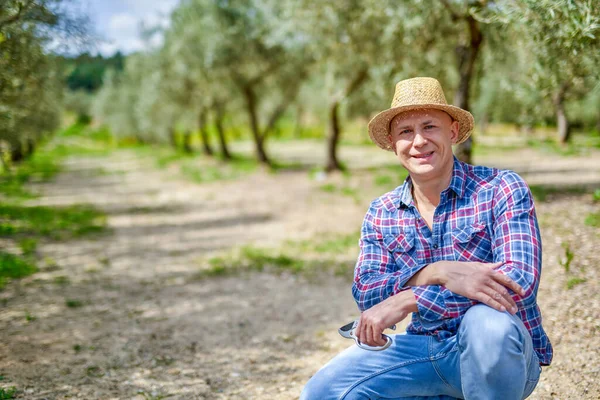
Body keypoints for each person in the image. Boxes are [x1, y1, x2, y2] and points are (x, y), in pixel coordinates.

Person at [300, 77, 552, 400]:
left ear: (453, 132)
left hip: (496, 357)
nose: (418, 141)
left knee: (489, 327)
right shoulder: (382, 212)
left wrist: (412, 298)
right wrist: (435, 273)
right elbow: (366, 291)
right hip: (425, 349)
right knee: (322, 392)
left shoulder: (501, 189)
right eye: (406, 131)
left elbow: (518, 282)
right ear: (393, 143)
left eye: (430, 126)